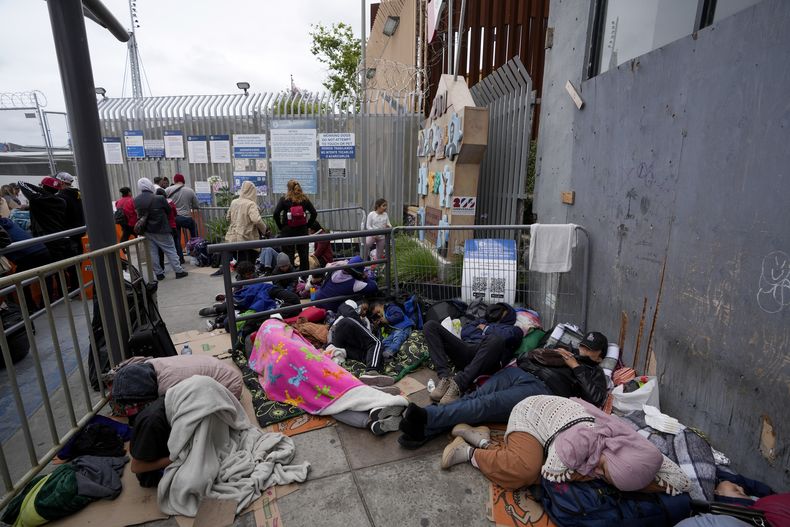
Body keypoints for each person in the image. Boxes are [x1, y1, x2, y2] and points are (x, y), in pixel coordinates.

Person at [440, 395, 691, 497]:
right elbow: (549, 474)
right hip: (530, 415)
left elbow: (677, 479)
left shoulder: (633, 449)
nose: (601, 474)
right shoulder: (580, 441)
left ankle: (482, 439)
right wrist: (590, 475)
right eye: (605, 470)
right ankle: (469, 452)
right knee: (526, 471)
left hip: (557, 430)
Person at [398, 331, 610, 448]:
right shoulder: (565, 352)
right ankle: (425, 430)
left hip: (541, 390)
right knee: (475, 397)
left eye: (590, 350)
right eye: (583, 346)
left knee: (485, 405)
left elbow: (596, 397)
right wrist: (551, 353)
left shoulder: (594, 373)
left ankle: (427, 417)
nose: (583, 350)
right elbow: (525, 357)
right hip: (518, 374)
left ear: (599, 356)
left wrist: (577, 366)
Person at [250, 318, 408, 435]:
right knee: (343, 385)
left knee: (327, 405)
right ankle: (378, 402)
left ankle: (368, 422)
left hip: (304, 390)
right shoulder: (292, 342)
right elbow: (313, 355)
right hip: (321, 374)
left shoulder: (267, 363)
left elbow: (269, 384)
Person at [424, 304, 524, 405]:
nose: (496, 314)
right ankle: (445, 378)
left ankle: (458, 385)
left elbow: (505, 336)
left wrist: (485, 329)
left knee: (495, 340)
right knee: (430, 325)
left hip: (488, 357)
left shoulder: (515, 329)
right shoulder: (482, 321)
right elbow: (465, 332)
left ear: (508, 314)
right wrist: (483, 328)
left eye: (501, 312)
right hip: (468, 348)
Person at [327, 300, 392, 386]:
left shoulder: (366, 320)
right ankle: (371, 372)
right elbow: (347, 311)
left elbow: (366, 336)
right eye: (364, 308)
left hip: (342, 343)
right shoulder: (351, 304)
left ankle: (372, 382)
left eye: (366, 311)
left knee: (365, 355)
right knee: (376, 343)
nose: (364, 312)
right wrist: (362, 324)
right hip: (344, 324)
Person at [134, 177, 187, 281]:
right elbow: (168, 211)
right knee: (170, 250)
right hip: (162, 229)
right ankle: (178, 271)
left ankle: (159, 274)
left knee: (152, 252)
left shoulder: (137, 200)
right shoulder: (159, 198)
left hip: (147, 231)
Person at [272, 179, 317, 272]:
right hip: (302, 231)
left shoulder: (284, 199)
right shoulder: (304, 199)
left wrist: (281, 226)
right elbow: (314, 213)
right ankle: (304, 277)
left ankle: (291, 279)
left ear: (288, 188)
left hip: (287, 231)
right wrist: (307, 225)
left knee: (288, 255)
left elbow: (276, 214)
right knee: (304, 255)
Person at [313, 256, 378, 311]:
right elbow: (374, 286)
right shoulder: (355, 284)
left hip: (317, 299)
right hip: (328, 308)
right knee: (360, 299)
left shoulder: (335, 270)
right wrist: (365, 277)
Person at [225, 180, 267, 263]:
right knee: (248, 263)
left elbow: (228, 218)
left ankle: (239, 275)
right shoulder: (251, 204)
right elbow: (257, 220)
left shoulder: (234, 202)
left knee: (239, 262)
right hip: (247, 237)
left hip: (233, 236)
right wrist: (265, 230)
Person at [165, 173, 200, 248]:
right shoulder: (190, 191)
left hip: (173, 218)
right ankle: (195, 246)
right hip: (185, 218)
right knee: (193, 226)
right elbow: (196, 205)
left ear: (174, 181)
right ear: (183, 181)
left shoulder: (167, 190)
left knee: (177, 238)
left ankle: (180, 258)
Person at [55, 172, 86, 256]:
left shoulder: (61, 197)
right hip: (80, 231)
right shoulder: (78, 194)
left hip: (68, 234)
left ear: (61, 182)